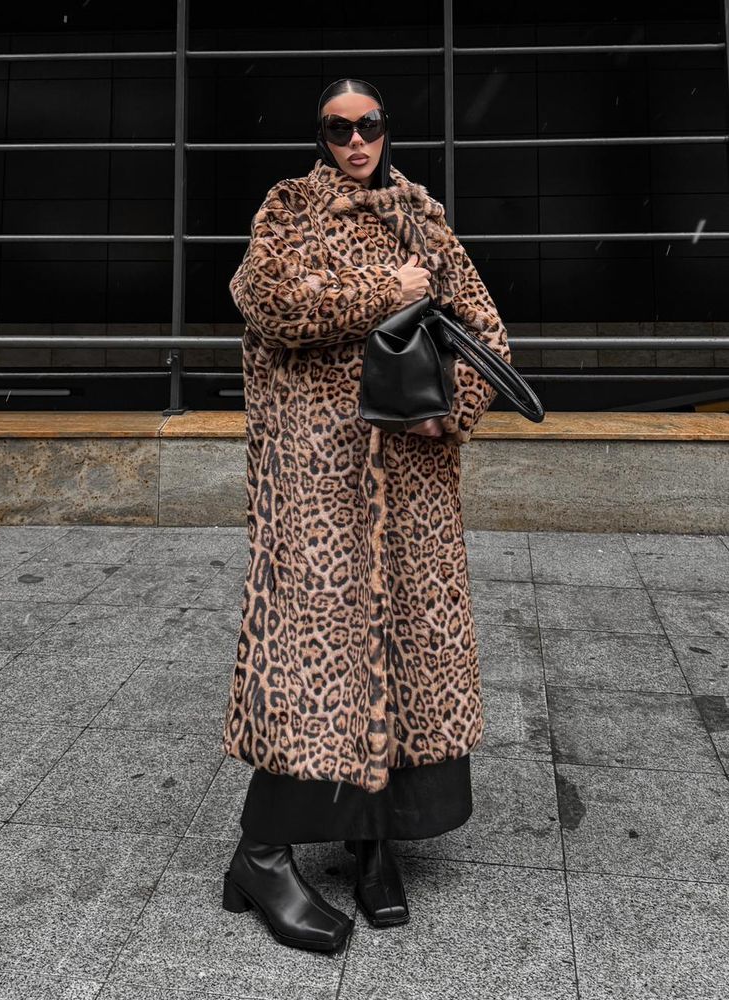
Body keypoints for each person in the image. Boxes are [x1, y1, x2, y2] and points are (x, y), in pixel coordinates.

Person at [221, 77, 511, 953]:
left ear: (388, 128)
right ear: (321, 137)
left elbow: (487, 333)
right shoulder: (290, 208)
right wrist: (386, 288)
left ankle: (374, 844)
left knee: (408, 657)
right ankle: (261, 854)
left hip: (413, 483)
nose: (355, 142)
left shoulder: (425, 217)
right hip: (318, 482)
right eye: (338, 129)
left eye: (369, 125)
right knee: (310, 662)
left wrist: (448, 408)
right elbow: (266, 302)